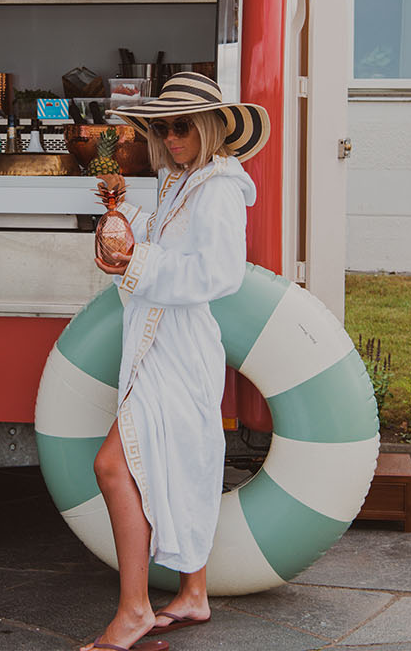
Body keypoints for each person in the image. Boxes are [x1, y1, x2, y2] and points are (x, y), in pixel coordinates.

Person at [81, 72, 270, 651]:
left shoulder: (218, 189)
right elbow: (173, 246)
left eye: (182, 125)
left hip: (180, 345)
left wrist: (136, 262)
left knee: (115, 466)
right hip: (160, 340)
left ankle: (134, 609)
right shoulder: (180, 181)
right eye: (163, 128)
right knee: (184, 460)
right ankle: (193, 594)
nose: (173, 136)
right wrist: (125, 219)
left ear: (212, 125)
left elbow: (218, 274)